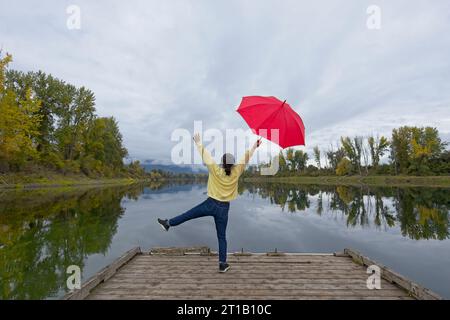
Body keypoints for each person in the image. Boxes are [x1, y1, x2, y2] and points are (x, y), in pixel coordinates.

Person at [158, 133, 261, 273]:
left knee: (188, 214)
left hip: (210, 204)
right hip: (224, 208)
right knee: (222, 237)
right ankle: (222, 264)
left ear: (222, 162)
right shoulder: (237, 171)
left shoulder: (215, 169)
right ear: (233, 164)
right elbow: (246, 157)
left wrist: (198, 142)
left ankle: (168, 223)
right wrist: (255, 146)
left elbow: (205, 154)